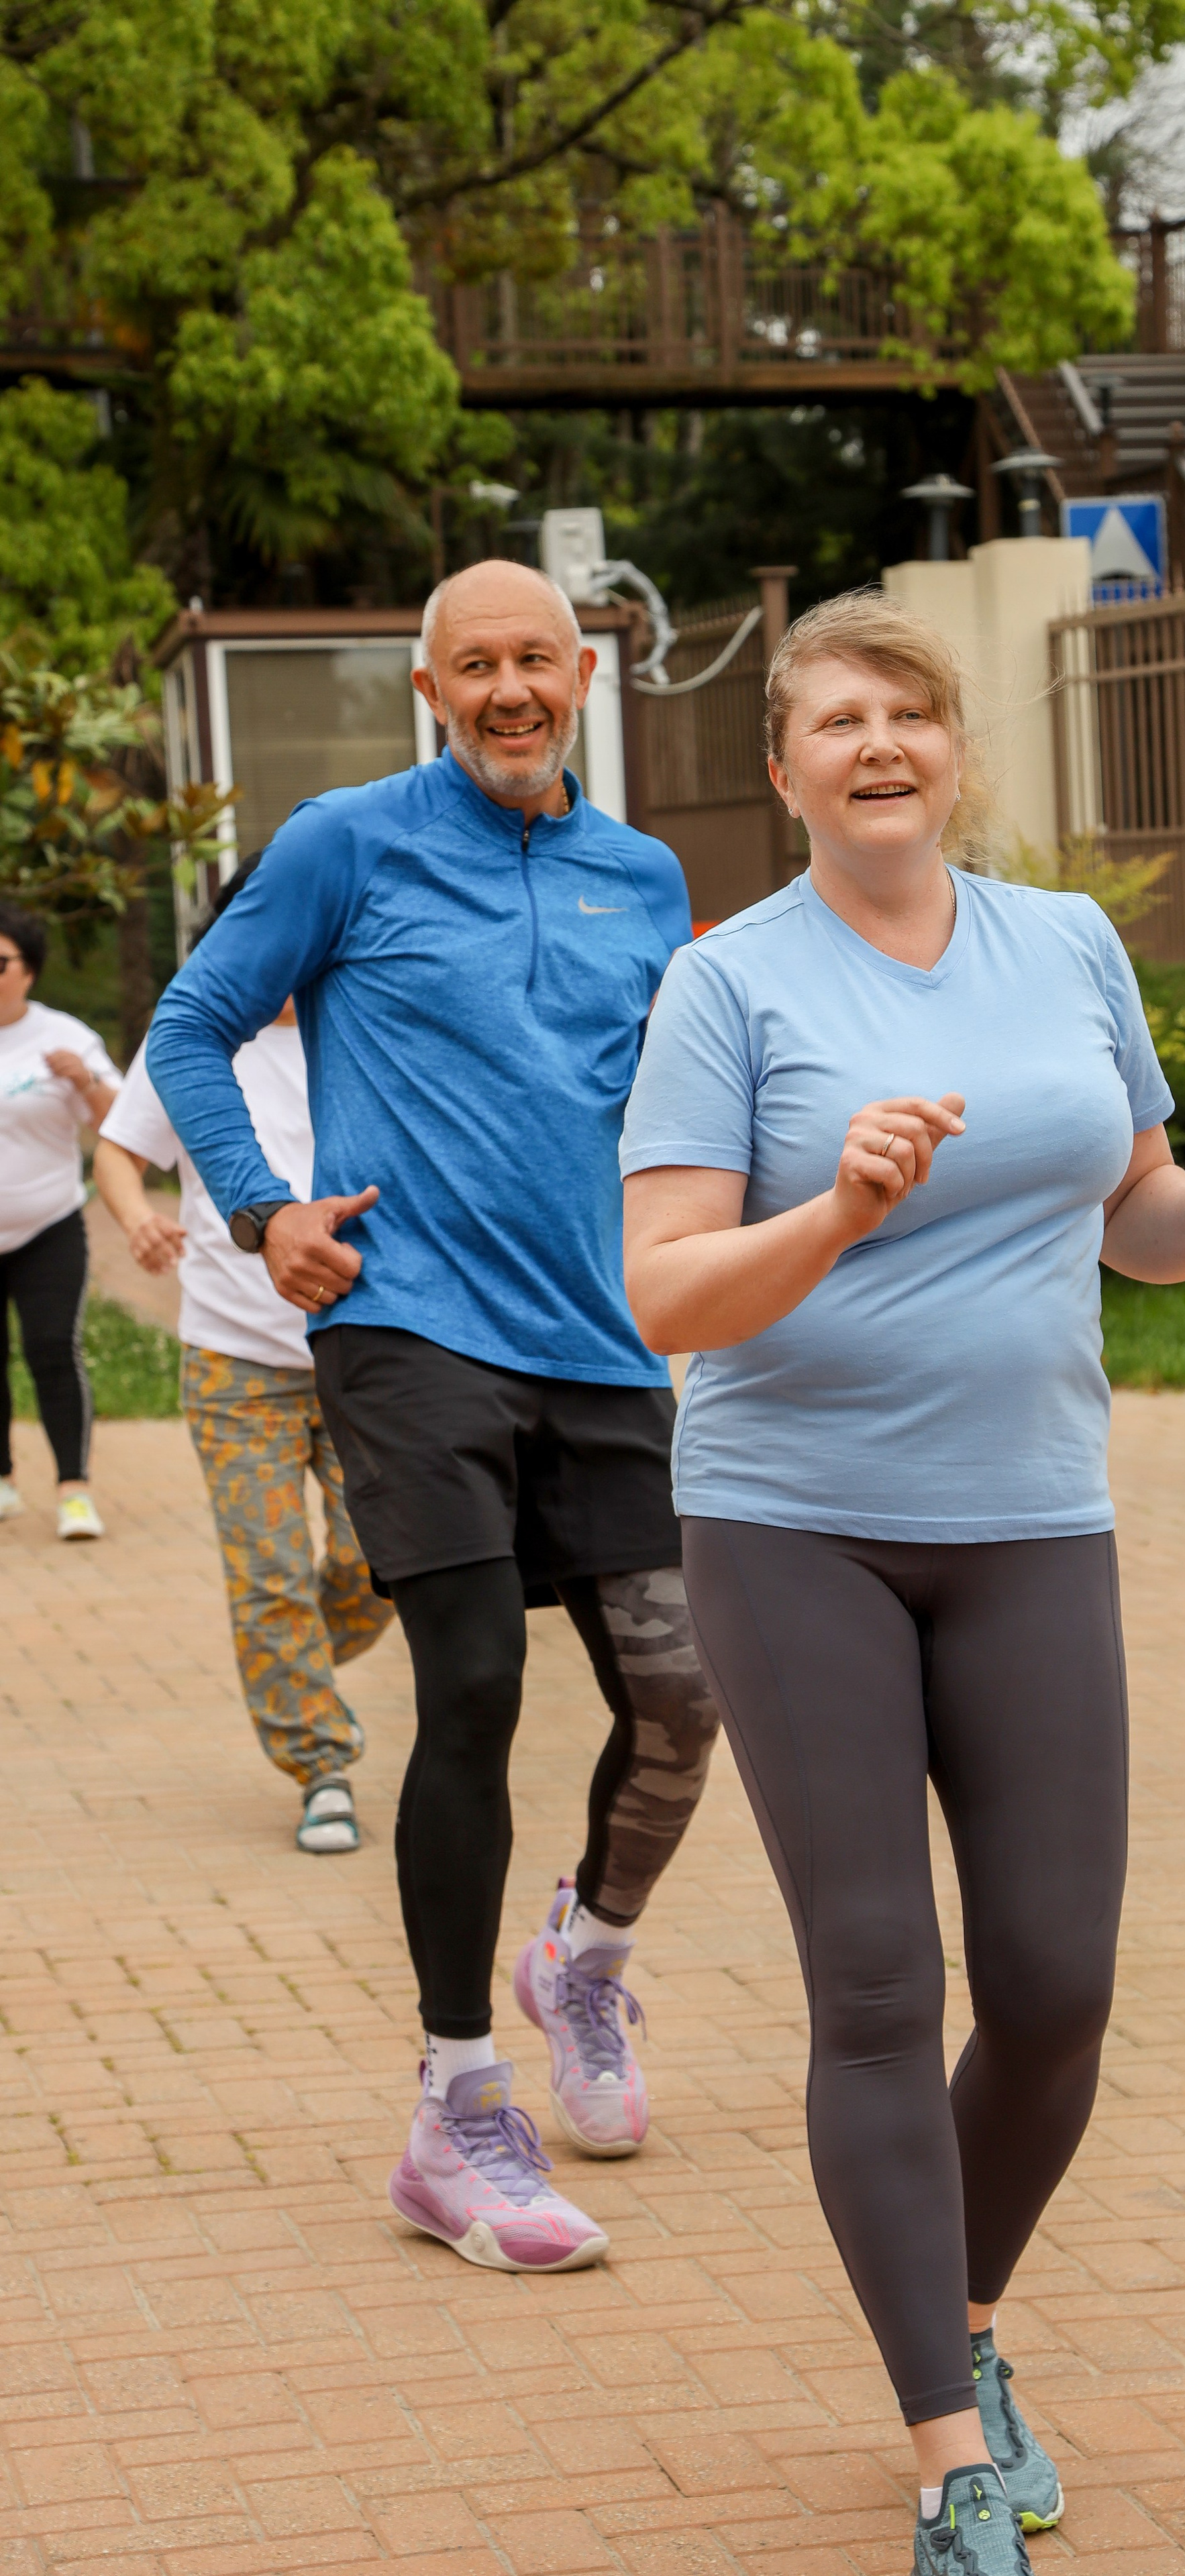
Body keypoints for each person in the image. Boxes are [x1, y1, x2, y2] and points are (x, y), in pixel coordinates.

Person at [618, 593, 1185, 2571]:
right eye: (836, 719)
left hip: (1029, 1518)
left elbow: (1131, 1214)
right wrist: (837, 1206)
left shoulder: (1064, 941)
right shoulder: (727, 985)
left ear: (950, 747)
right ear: (783, 769)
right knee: (873, 1979)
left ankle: (970, 2317)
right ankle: (945, 2446)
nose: (878, 742)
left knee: (1054, 1984)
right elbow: (665, 1292)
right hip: (795, 1523)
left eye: (907, 710)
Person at [146, 558, 723, 2274]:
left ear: (583, 675)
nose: (508, 690)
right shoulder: (346, 842)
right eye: (474, 665)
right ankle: (455, 2105)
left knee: (684, 1693)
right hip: (406, 1325)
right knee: (472, 1683)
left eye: (535, 659)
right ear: (429, 688)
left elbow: (683, 1106)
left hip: (602, 1342)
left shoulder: (645, 876)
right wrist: (263, 1208)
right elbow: (191, 1026)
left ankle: (584, 1959)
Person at [95, 859, 395, 1856]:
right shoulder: (191, 1037)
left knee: (378, 1566)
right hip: (235, 1362)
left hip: (363, 1353)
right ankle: (321, 1764)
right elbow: (119, 1152)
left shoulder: (363, 1025)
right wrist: (136, 1220)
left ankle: (287, 1662)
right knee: (267, 1575)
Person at [0, 900, 120, 1540]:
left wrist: (86, 1083)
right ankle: (2, 1480)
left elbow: (123, 1127)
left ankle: (74, 1489)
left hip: (47, 1223)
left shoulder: (65, 1038)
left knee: (51, 1348)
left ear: (30, 969)